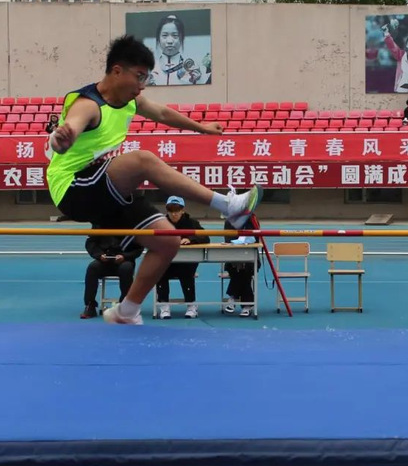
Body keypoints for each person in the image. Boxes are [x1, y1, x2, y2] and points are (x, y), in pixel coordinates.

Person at [46, 34, 263, 326]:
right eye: (139, 76)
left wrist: (201, 128)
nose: (142, 85)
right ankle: (228, 205)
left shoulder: (131, 102)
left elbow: (162, 113)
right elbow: (70, 128)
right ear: (117, 71)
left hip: (104, 191)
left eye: (146, 78)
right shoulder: (88, 104)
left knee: (167, 241)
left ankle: (127, 310)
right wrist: (61, 140)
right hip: (73, 188)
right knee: (142, 160)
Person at [155, 196, 209, 319]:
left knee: (187, 273)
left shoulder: (191, 223)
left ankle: (191, 304)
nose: (174, 214)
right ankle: (164, 305)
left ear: (182, 210)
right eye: (171, 211)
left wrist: (190, 239)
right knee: (159, 272)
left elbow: (205, 237)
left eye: (177, 210)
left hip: (186, 262)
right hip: (167, 262)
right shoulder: (161, 223)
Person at [81, 227, 145, 319]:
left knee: (126, 268)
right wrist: (99, 255)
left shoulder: (130, 224)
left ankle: (125, 305)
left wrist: (124, 256)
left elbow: (138, 248)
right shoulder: (100, 223)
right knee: (92, 268)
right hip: (104, 261)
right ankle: (90, 305)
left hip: (124, 260)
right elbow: (91, 243)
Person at [148, 15, 210, 86]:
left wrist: (198, 81)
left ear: (182, 38)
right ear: (158, 38)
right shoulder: (150, 68)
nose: (170, 41)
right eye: (164, 35)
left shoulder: (193, 68)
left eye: (175, 36)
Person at [223, 217, 261, 317]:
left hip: (250, 259)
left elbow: (256, 239)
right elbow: (228, 239)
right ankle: (247, 306)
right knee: (238, 270)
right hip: (233, 259)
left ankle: (233, 297)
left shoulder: (252, 220)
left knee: (245, 271)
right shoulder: (229, 221)